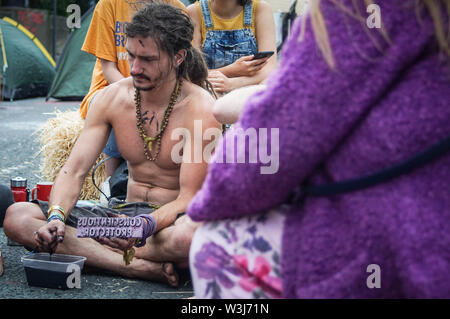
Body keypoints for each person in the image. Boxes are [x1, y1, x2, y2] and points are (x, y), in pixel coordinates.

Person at [186, 0, 450, 298]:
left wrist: (208, 203)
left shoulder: (357, 10)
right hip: (430, 234)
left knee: (216, 243)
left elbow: (285, 132)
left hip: (401, 252)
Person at [4, 3, 221, 286]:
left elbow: (189, 198)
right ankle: (134, 267)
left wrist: (145, 225)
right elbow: (74, 170)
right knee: (17, 217)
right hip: (118, 217)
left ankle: (93, 254)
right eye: (131, 56)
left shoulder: (201, 108)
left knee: (191, 237)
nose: (134, 68)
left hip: (166, 225)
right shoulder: (111, 98)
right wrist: (57, 216)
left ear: (178, 57)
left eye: (147, 59)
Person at [80, 0, 186, 177]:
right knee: (120, 104)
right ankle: (111, 184)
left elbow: (182, 65)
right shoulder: (109, 5)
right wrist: (137, 96)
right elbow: (108, 69)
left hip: (159, 89)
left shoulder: (179, 9)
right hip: (111, 86)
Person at [187, 0, 277, 96]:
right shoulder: (194, 12)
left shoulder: (260, 8)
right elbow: (192, 73)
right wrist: (231, 70)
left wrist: (232, 84)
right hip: (210, 96)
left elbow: (269, 69)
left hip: (249, 95)